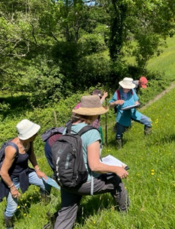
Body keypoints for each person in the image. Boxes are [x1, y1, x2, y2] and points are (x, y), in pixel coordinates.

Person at [49, 95, 129, 229]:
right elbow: (95, 166)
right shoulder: (92, 133)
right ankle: (125, 214)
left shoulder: (67, 128)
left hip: (66, 179)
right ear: (95, 114)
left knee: (67, 211)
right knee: (116, 181)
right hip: (85, 182)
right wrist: (117, 169)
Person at [0, 119, 51, 229]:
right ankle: (9, 226)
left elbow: (32, 155)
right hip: (12, 179)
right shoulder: (12, 149)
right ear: (28, 135)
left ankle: (44, 204)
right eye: (34, 133)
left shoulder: (29, 142)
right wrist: (12, 188)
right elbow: (3, 172)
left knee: (46, 181)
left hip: (26, 172)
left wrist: (37, 169)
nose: (37, 134)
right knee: (12, 207)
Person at [109, 77, 153, 149]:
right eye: (127, 87)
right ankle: (119, 148)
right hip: (122, 115)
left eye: (129, 87)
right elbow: (110, 105)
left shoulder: (132, 90)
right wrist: (116, 102)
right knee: (119, 134)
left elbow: (136, 99)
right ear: (123, 86)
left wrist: (137, 102)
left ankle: (147, 140)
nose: (128, 89)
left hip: (133, 112)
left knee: (148, 121)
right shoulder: (117, 93)